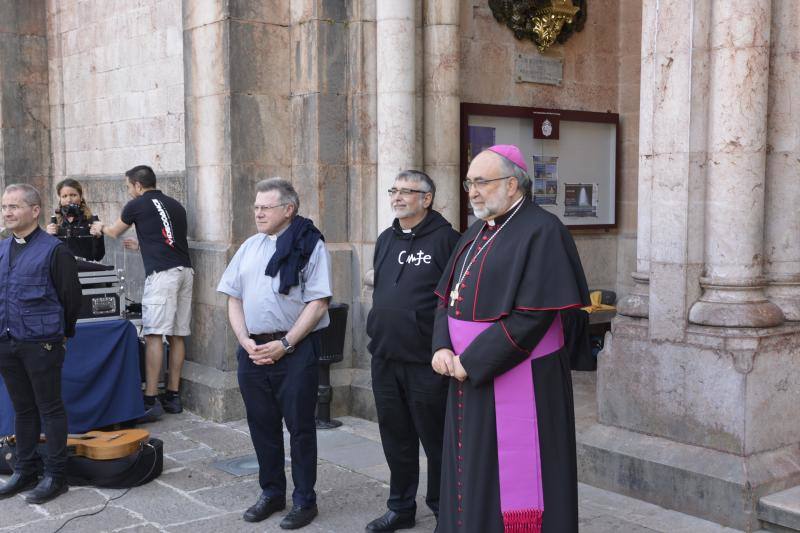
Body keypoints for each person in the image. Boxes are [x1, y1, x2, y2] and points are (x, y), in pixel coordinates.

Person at [431, 145, 589, 532]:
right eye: (469, 183)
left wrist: (473, 362)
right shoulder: (476, 231)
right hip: (465, 372)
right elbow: (445, 297)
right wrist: (441, 346)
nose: (472, 191)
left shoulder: (543, 230)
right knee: (469, 468)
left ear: (513, 184)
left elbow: (532, 318)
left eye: (481, 182)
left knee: (512, 475)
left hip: (519, 375)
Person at [217, 178, 331, 530]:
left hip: (293, 351)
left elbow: (318, 302)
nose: (258, 212)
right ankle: (271, 493)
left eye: (266, 206)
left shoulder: (310, 245)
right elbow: (233, 296)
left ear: (289, 209)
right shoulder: (249, 246)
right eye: (256, 206)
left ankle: (304, 501)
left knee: (300, 429)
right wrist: (244, 340)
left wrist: (285, 345)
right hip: (252, 349)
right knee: (261, 426)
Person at [366, 170, 459, 532]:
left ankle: (443, 512)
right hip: (386, 357)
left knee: (436, 443)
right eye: (394, 190)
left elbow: (452, 302)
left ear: (427, 198)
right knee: (396, 437)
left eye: (408, 191)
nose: (398, 197)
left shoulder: (449, 240)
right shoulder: (386, 239)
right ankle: (401, 507)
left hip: (427, 361)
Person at [0, 184, 81, 504]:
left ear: (34, 211)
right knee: (23, 408)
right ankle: (25, 469)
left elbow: (71, 298)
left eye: (14, 206)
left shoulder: (55, 250)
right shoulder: (3, 247)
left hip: (42, 342)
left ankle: (55, 475)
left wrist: (64, 335)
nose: (7, 212)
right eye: (4, 206)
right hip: (7, 341)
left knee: (50, 408)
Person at [91, 165, 193, 420]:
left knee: (155, 334)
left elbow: (114, 232)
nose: (129, 191)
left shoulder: (136, 204)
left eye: (128, 186)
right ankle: (173, 396)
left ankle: (150, 399)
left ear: (137, 185)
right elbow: (169, 239)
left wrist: (99, 226)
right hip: (185, 272)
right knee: (178, 334)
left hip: (162, 276)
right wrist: (143, 245)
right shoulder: (175, 204)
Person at [46, 178, 105, 262]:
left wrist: (98, 237)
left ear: (80, 197)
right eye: (64, 196)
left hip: (85, 270)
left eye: (73, 195)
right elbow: (48, 256)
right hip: (62, 270)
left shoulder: (91, 220)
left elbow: (98, 256)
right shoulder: (55, 223)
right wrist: (48, 237)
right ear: (60, 199)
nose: (69, 200)